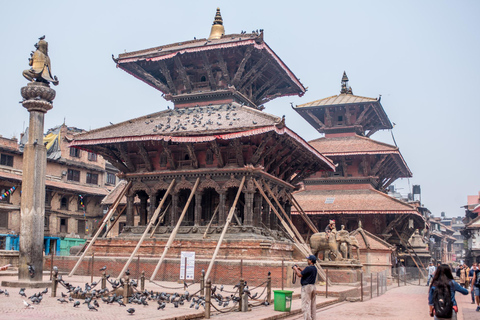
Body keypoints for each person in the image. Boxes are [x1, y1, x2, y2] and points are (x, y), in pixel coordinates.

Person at [293, 255, 318, 320]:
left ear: (311, 261)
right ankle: (313, 318)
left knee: (306, 305)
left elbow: (300, 275)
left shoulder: (308, 268)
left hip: (307, 287)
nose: (307, 261)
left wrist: (295, 269)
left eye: (308, 260)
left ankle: (307, 318)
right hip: (313, 287)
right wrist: (299, 269)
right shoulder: (314, 268)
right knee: (313, 305)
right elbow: (305, 273)